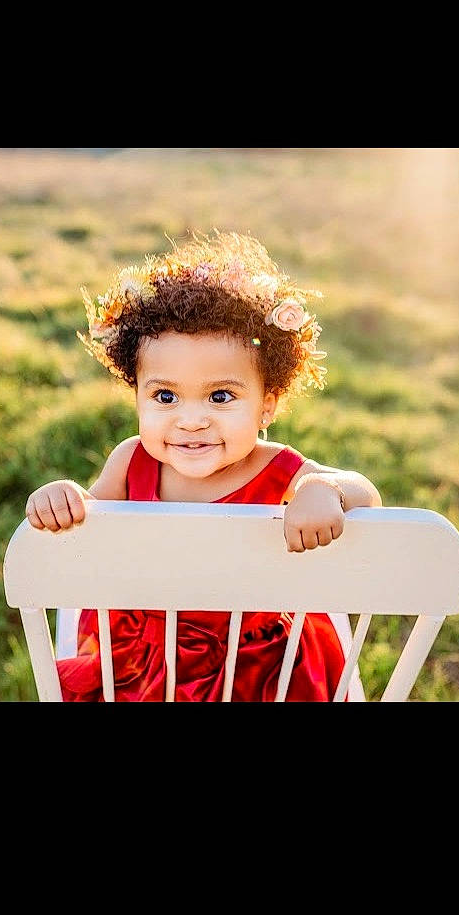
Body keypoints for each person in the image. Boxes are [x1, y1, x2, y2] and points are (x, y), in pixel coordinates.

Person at [25, 231, 382, 701]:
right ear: (137, 397)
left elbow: (366, 494)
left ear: (266, 406)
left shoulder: (279, 467)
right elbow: (91, 526)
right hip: (144, 650)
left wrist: (324, 488)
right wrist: (66, 498)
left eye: (220, 396)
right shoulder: (132, 459)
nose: (191, 420)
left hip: (257, 663)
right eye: (165, 396)